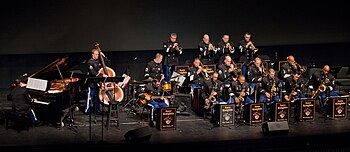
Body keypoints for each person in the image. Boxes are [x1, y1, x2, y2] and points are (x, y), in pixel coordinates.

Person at [84, 47, 109, 114]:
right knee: (90, 96)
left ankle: (96, 110)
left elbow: (106, 64)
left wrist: (104, 57)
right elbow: (93, 73)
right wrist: (102, 75)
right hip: (91, 83)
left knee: (97, 97)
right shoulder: (89, 62)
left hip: (97, 83)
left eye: (98, 54)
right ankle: (87, 110)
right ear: (92, 54)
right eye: (96, 54)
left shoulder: (98, 61)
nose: (97, 56)